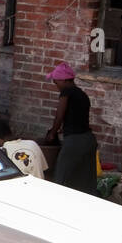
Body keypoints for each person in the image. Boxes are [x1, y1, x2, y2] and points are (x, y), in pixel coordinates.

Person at [42, 62, 97, 195]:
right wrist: (64, 128)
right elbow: (77, 118)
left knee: (61, 175)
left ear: (65, 80)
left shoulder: (66, 92)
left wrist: (53, 132)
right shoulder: (82, 95)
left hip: (75, 142)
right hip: (89, 140)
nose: (57, 87)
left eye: (56, 83)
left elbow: (59, 115)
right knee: (85, 181)